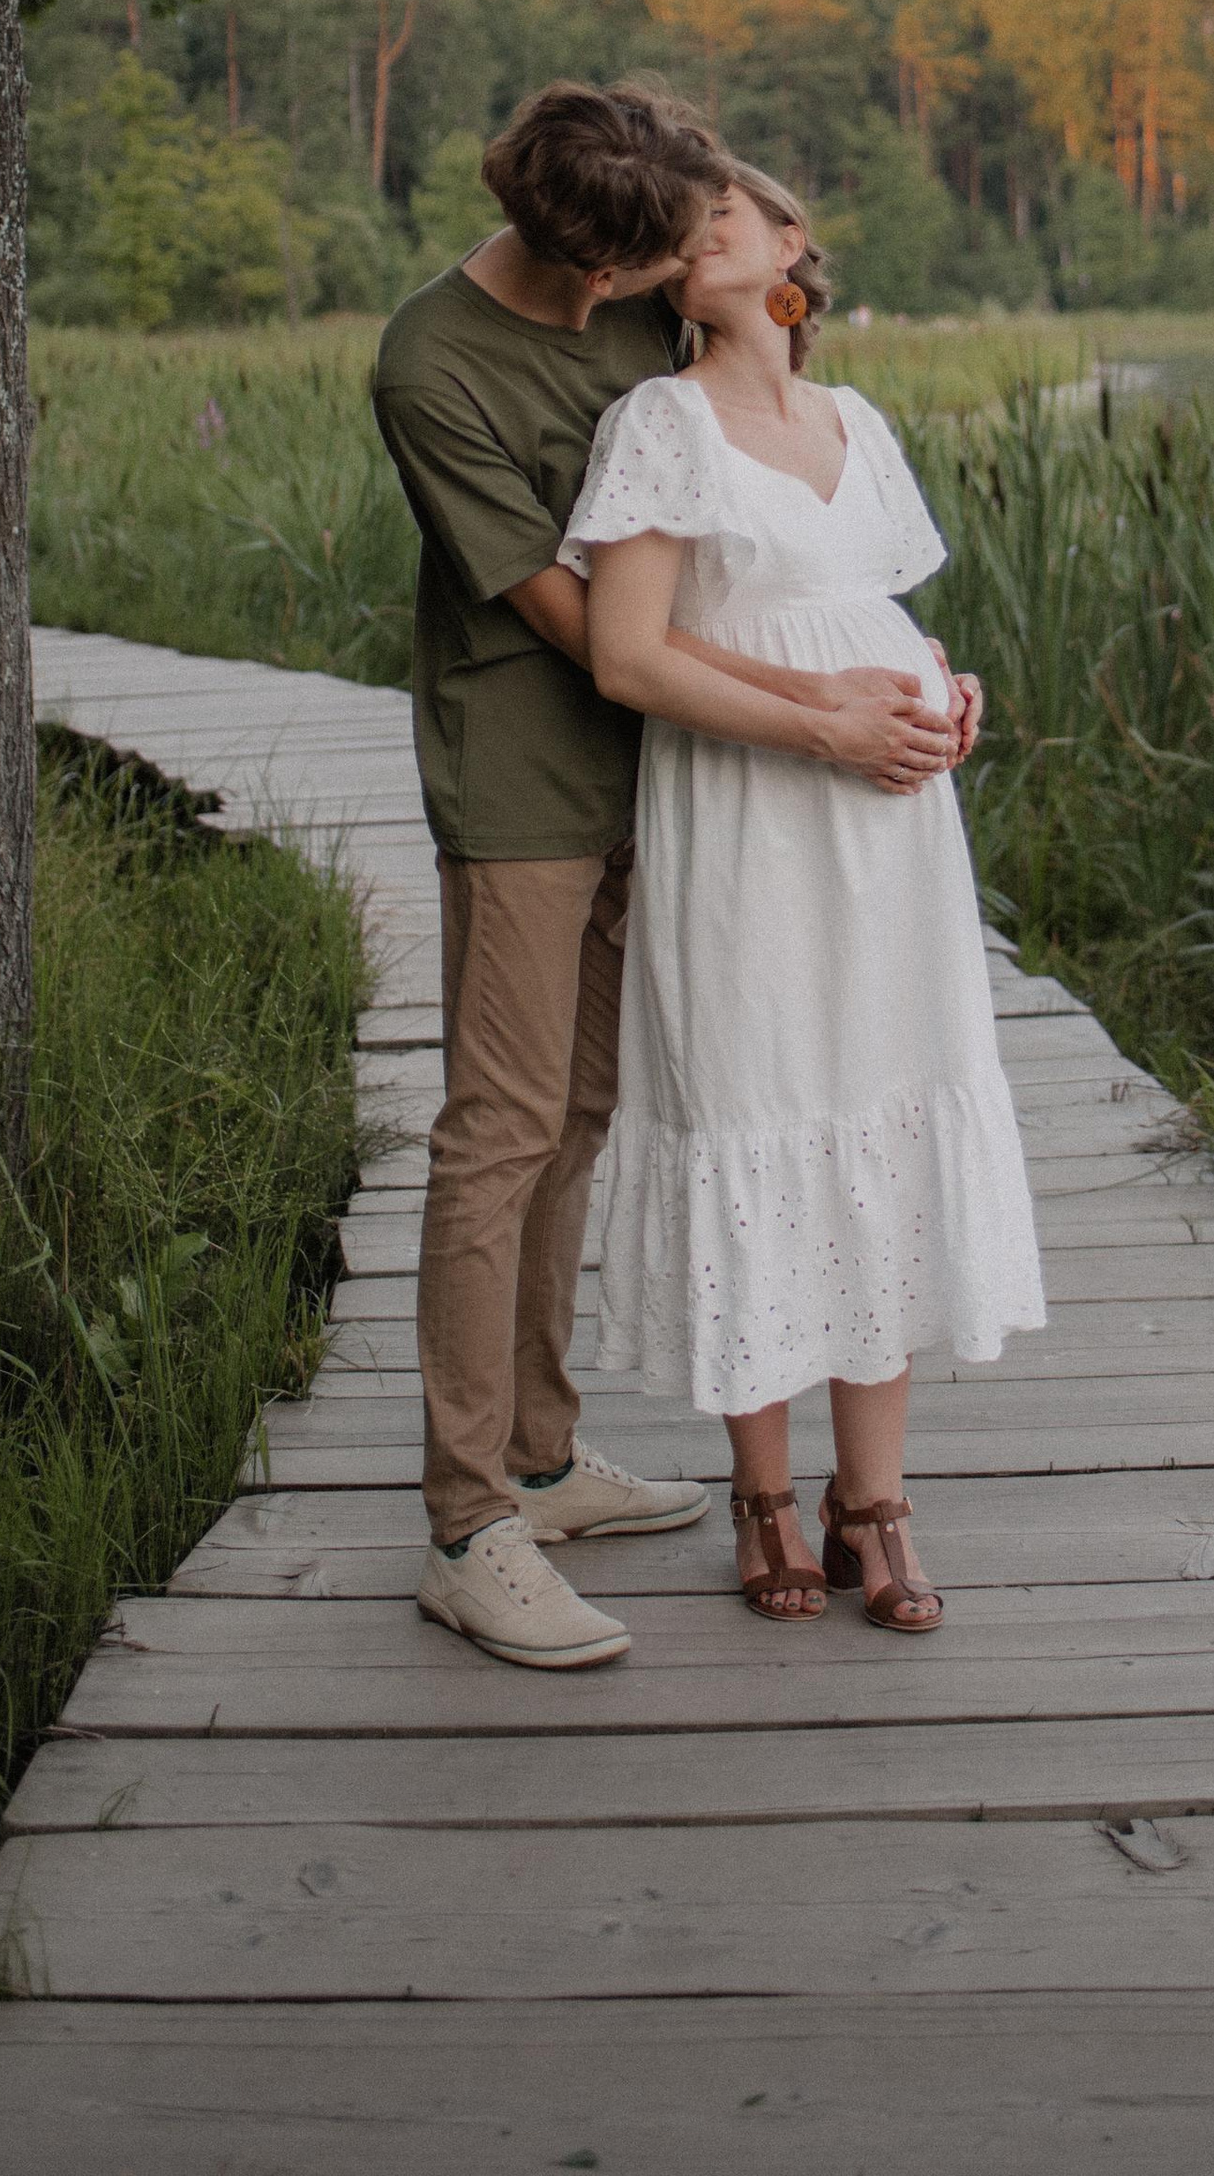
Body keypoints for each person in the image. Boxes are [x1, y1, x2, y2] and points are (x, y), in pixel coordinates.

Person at [372, 82, 951, 1673]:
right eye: (635, 267)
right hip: (534, 773)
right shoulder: (433, 362)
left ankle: (546, 1460)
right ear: (588, 254)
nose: (649, 286)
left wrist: (871, 687)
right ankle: (467, 1518)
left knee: (588, 1109)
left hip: (699, 789)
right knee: (499, 1125)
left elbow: (772, 527)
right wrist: (809, 711)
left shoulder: (645, 291)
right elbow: (581, 624)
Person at [559, 164, 1047, 1633]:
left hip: (892, 833)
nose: (706, 218)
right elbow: (631, 656)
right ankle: (765, 1495)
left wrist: (943, 690)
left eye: (735, 203)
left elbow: (873, 610)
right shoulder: (659, 423)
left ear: (790, 246)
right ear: (661, 275)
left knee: (886, 1107)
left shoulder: (862, 427)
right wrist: (824, 722)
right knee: (760, 1104)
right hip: (747, 816)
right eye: (681, 214)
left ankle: (873, 1499)